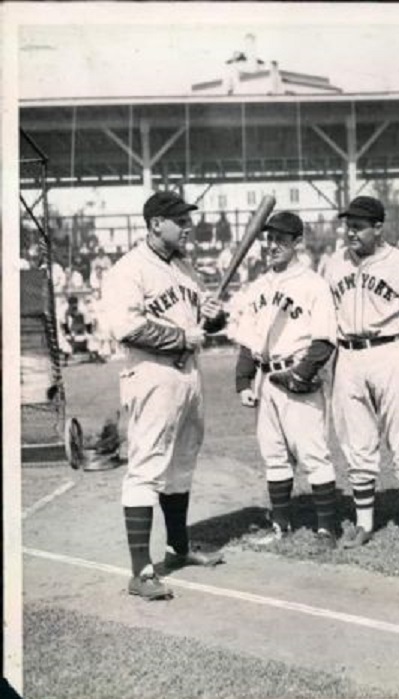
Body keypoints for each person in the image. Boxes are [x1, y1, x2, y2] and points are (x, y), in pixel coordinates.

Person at [101, 190, 228, 601]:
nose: (188, 225)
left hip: (188, 374)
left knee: (181, 463)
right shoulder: (129, 269)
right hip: (151, 373)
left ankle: (179, 548)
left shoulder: (186, 268)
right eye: (179, 219)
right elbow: (128, 328)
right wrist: (181, 335)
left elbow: (204, 322)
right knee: (146, 468)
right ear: (156, 223)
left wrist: (215, 315)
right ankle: (140, 572)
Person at [321, 196, 399, 548]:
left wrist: (396, 341)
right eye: (348, 225)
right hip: (348, 355)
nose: (350, 232)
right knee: (356, 440)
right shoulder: (334, 262)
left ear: (378, 227)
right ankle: (364, 521)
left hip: (391, 352)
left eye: (358, 226)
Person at [232, 212, 339, 551]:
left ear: (297, 242)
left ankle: (327, 530)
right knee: (273, 455)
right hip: (265, 377)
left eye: (281, 239)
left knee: (313, 455)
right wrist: (243, 381)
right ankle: (280, 525)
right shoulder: (259, 286)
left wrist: (301, 375)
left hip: (296, 373)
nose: (273, 245)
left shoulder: (313, 284)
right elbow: (250, 339)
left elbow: (324, 340)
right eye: (269, 238)